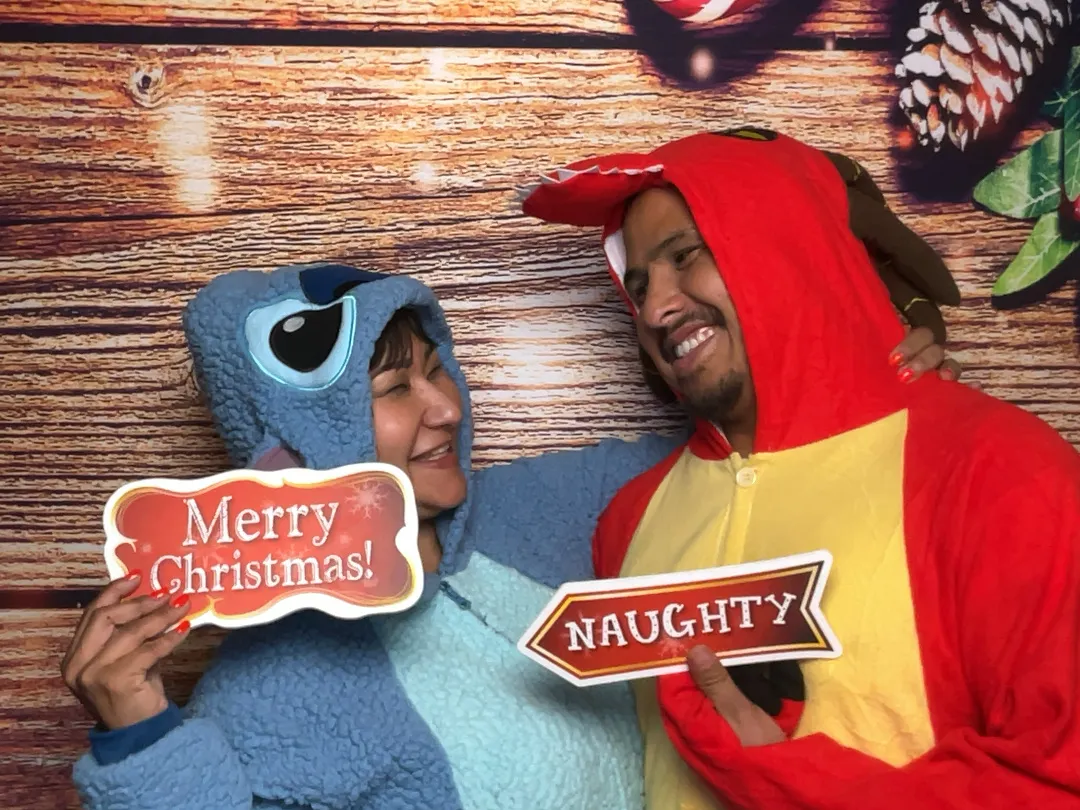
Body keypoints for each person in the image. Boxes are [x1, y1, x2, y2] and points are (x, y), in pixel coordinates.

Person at [63, 221, 956, 803]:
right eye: (395, 389)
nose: (446, 407)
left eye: (438, 370)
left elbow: (743, 460)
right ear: (302, 435)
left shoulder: (550, 504)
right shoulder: (276, 684)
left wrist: (859, 380)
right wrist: (140, 734)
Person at [519, 128, 1080, 809]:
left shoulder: (997, 470)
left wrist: (787, 783)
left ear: (784, 243)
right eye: (638, 287)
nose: (657, 308)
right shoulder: (628, 520)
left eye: (686, 256)